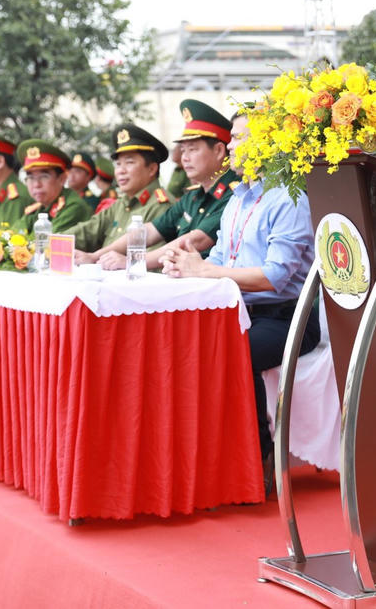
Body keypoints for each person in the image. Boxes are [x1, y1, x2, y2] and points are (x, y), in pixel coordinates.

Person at [159, 109, 319, 495]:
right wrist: (184, 266)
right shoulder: (238, 200)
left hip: (287, 318)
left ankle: (259, 461)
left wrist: (206, 272)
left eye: (243, 138)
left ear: (271, 144)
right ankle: (204, 461)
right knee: (184, 348)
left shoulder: (289, 197)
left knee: (236, 353)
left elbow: (273, 277)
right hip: (241, 310)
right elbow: (219, 262)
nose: (232, 146)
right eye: (233, 138)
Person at [91, 100, 239, 271]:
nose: (185, 158)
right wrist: (96, 256)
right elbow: (151, 230)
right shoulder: (193, 196)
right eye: (183, 150)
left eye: (192, 149)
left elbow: (196, 240)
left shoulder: (234, 193)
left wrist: (133, 261)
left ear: (219, 151)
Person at [71, 125, 172, 252]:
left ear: (152, 169)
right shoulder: (121, 204)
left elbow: (151, 264)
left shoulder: (162, 206)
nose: (120, 171)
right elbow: (86, 231)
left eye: (129, 162)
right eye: (118, 164)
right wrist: (47, 243)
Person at [13, 139, 91, 233]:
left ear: (62, 179)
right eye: (31, 178)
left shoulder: (73, 207)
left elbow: (46, 243)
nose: (36, 184)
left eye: (44, 177)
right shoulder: (38, 208)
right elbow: (13, 235)